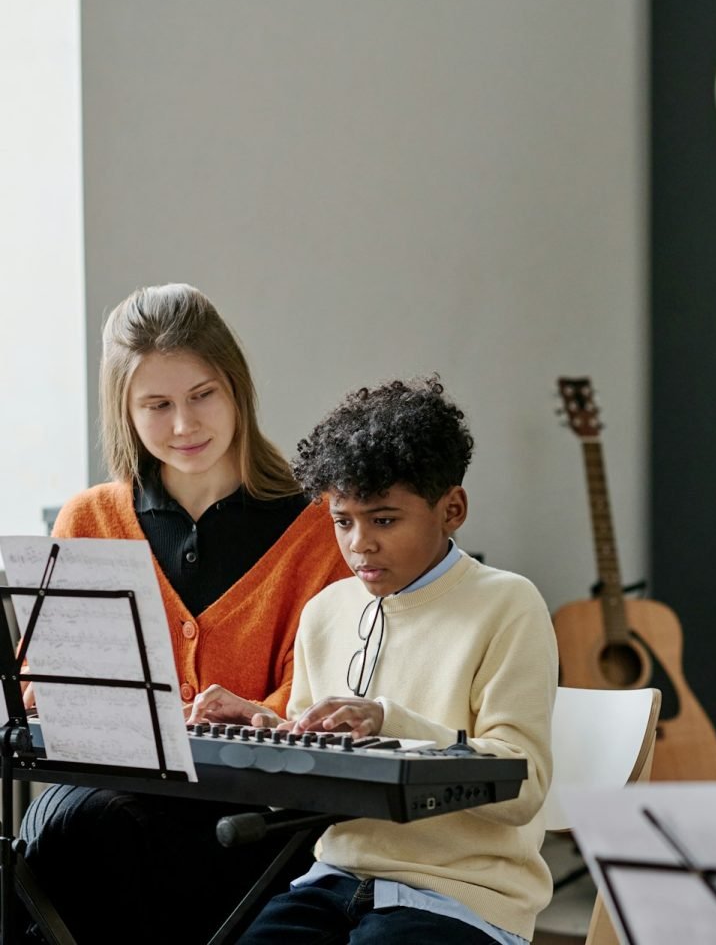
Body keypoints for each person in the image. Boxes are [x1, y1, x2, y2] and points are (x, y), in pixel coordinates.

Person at [19, 283, 350, 944]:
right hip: (117, 803)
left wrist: (259, 714)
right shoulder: (92, 519)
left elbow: (324, 688)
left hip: (256, 816)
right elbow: (47, 686)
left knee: (80, 837)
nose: (183, 425)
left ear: (237, 389)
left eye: (202, 395)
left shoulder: (318, 525)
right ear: (125, 411)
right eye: (156, 405)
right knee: (63, 837)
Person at [196, 375, 558, 945]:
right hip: (331, 880)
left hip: (461, 897)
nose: (359, 543)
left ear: (452, 509)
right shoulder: (325, 612)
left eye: (384, 520)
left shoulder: (507, 604)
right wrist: (265, 733)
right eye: (343, 521)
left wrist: (388, 721)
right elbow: (302, 794)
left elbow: (525, 786)